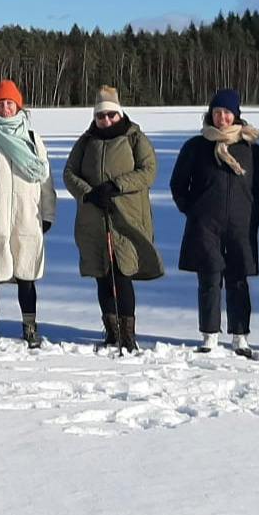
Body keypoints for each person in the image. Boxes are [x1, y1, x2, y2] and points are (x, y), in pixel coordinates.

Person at [170, 88, 259, 358]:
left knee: (238, 279)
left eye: (227, 113)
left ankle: (240, 336)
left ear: (235, 115)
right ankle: (210, 335)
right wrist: (193, 210)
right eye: (217, 113)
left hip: (241, 225)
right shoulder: (196, 146)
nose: (222, 118)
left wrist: (255, 214)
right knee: (209, 279)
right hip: (205, 225)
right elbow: (178, 184)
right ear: (210, 115)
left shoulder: (249, 148)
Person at [63, 85, 163, 354]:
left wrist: (116, 186)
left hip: (126, 218)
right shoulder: (86, 141)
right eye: (100, 116)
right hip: (94, 219)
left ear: (119, 113)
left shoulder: (134, 137)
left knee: (123, 274)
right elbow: (69, 173)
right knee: (102, 275)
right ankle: (112, 331)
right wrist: (89, 194)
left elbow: (149, 171)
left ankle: (128, 335)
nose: (105, 120)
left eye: (110, 115)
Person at [0, 79, 57, 348]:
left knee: (27, 276)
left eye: (10, 103)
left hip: (27, 217)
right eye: (1, 103)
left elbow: (45, 180)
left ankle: (29, 326)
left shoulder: (32, 138)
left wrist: (48, 213)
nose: (5, 108)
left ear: (19, 106)